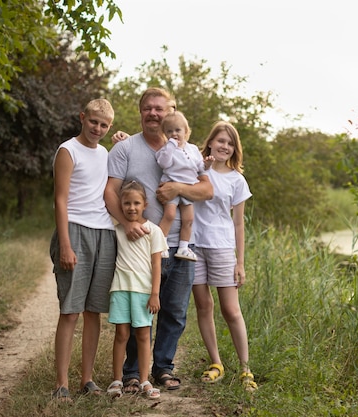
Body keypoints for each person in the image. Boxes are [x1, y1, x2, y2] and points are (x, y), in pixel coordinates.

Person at [104, 87, 213, 392]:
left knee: (175, 311)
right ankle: (133, 373)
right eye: (147, 108)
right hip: (140, 247)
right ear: (140, 112)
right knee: (139, 312)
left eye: (159, 108)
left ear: (171, 111)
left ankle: (162, 368)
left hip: (181, 245)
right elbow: (110, 192)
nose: (153, 113)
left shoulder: (186, 149)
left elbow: (207, 190)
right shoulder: (125, 149)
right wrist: (126, 223)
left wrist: (177, 187)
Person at [49, 98, 116, 401]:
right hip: (74, 231)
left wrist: (121, 142)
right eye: (93, 122)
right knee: (71, 311)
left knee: (93, 312)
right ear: (82, 118)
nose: (97, 128)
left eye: (104, 125)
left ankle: (86, 379)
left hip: (104, 233)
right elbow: (60, 200)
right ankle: (61, 383)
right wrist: (65, 243)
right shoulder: (68, 150)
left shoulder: (105, 153)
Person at [192, 121, 258, 392]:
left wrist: (240, 262)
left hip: (222, 247)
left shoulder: (236, 180)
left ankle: (245, 369)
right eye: (220, 141)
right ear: (210, 142)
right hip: (193, 246)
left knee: (231, 310)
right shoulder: (195, 168)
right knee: (204, 306)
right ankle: (216, 363)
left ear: (235, 149)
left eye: (230, 144)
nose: (225, 147)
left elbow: (239, 224)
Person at [106, 180, 167, 399]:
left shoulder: (154, 231)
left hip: (143, 292)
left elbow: (157, 265)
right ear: (120, 205)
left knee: (143, 335)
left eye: (136, 203)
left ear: (145, 205)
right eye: (127, 203)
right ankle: (116, 380)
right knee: (121, 334)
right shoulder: (116, 230)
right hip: (121, 288)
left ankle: (144, 380)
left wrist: (154, 294)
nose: (131, 207)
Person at [155, 110, 212, 262]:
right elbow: (163, 163)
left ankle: (183, 247)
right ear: (164, 134)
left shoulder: (192, 149)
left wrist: (207, 164)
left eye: (178, 130)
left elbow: (200, 167)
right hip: (170, 186)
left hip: (188, 189)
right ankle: (160, 244)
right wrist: (171, 146)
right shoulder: (166, 150)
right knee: (170, 215)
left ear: (186, 132)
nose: (174, 134)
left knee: (188, 219)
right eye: (169, 131)